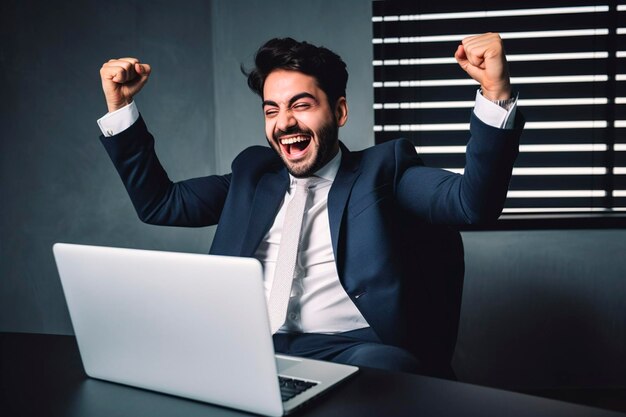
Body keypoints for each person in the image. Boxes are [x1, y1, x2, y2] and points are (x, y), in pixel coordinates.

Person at [97, 33, 523, 375]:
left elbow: (472, 204)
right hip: (249, 348)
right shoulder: (253, 175)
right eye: (272, 110)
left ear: (338, 111)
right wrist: (121, 108)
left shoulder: (385, 172)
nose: (285, 123)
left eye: (301, 105)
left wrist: (494, 93)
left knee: (389, 371)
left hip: (352, 350)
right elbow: (161, 204)